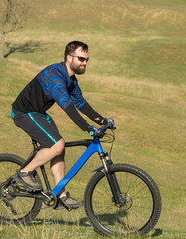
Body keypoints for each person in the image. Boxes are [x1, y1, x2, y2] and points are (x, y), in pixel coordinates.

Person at [11, 41, 114, 209]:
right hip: (24, 113)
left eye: (87, 59)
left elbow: (81, 104)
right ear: (68, 58)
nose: (85, 63)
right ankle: (24, 172)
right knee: (57, 145)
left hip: (39, 113)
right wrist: (88, 128)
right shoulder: (55, 76)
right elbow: (67, 106)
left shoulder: (71, 80)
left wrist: (102, 121)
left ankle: (61, 196)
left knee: (60, 147)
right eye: (81, 59)